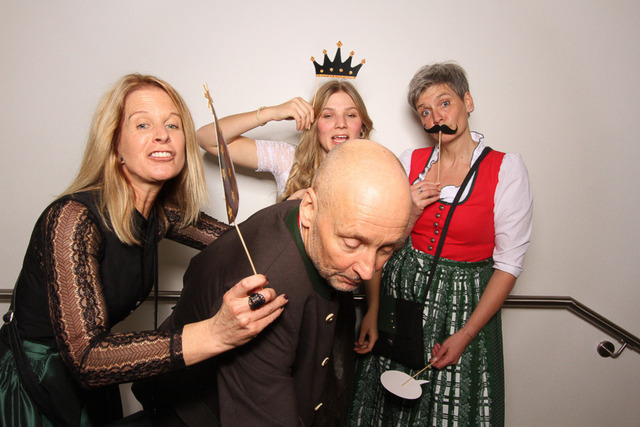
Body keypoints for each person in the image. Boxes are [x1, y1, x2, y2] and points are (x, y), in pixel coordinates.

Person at [0, 74, 288, 426]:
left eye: (173, 124)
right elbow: (86, 358)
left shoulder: (161, 214)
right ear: (115, 144)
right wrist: (216, 333)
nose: (162, 135)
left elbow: (239, 243)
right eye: (142, 124)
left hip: (97, 383)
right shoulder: (73, 218)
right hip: (35, 384)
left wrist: (296, 212)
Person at [143, 139, 412, 426]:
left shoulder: (316, 217)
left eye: (386, 249)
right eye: (351, 243)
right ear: (308, 208)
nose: (368, 271)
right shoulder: (264, 289)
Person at [350, 62, 533, 426]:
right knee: (387, 404)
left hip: (462, 310)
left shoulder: (505, 169)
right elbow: (382, 245)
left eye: (445, 103)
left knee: (447, 411)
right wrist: (411, 213)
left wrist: (465, 335)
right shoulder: (409, 162)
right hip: (399, 303)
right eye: (425, 112)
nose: (436, 118)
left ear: (468, 102)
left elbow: (509, 265)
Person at [197, 79, 373, 200]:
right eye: (328, 115)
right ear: (314, 124)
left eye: (351, 115)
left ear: (362, 126)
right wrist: (271, 113)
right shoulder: (289, 160)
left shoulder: (378, 172)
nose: (341, 123)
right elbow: (206, 139)